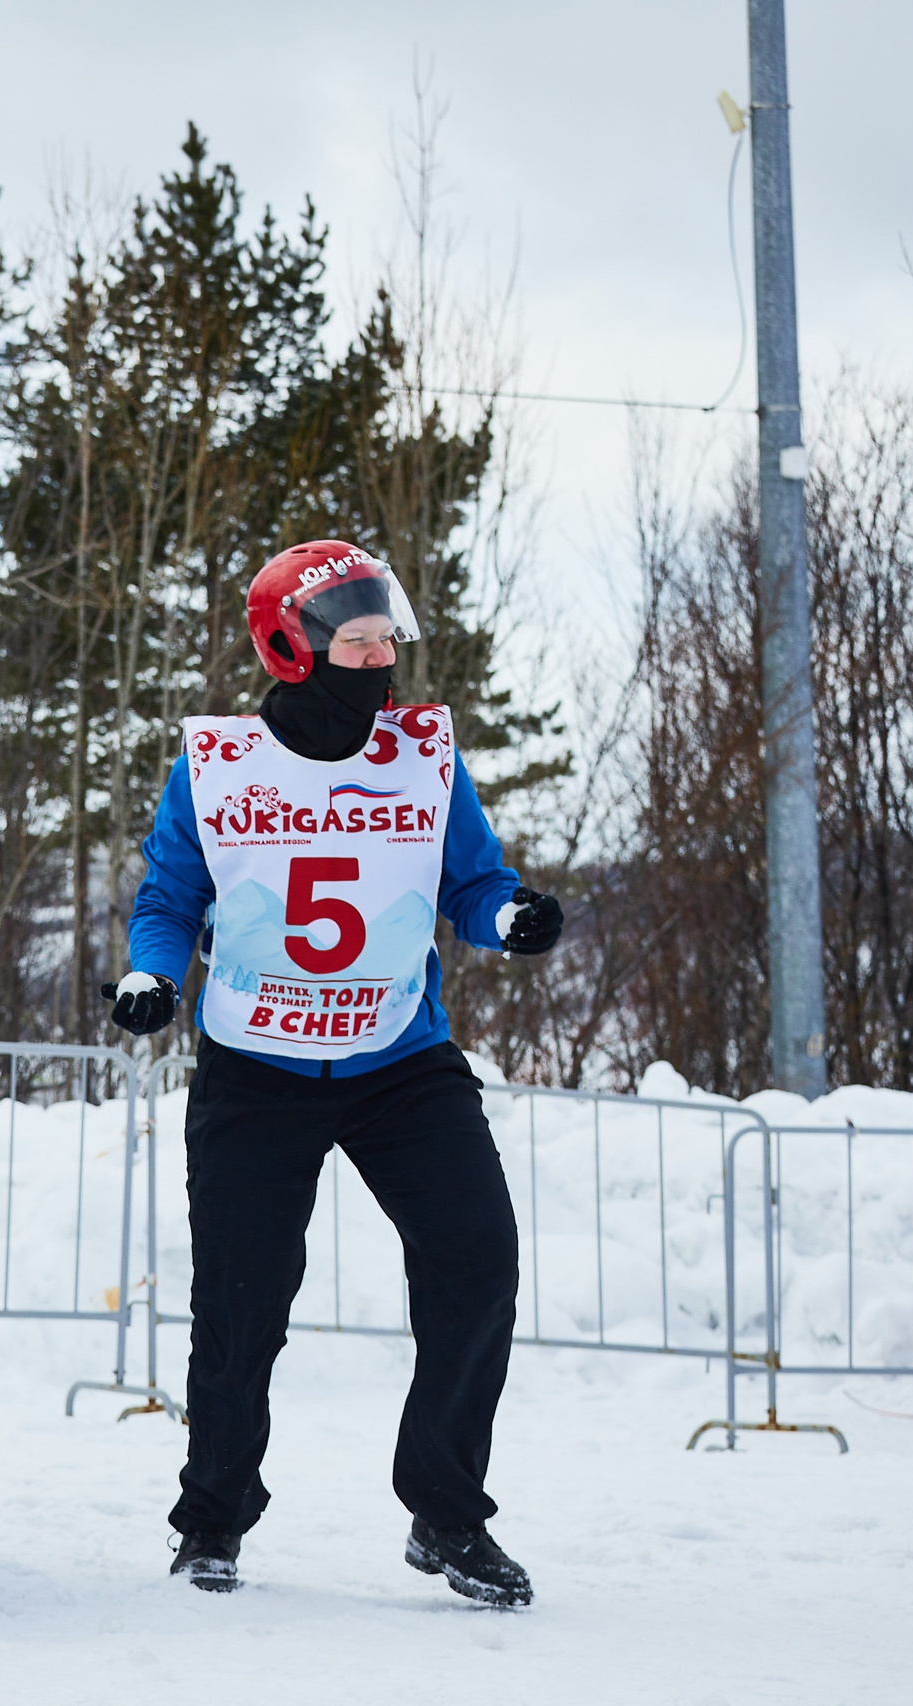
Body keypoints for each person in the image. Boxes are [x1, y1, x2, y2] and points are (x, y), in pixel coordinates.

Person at [110, 541, 562, 1606]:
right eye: (354, 636)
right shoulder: (216, 768)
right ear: (293, 647)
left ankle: (446, 1514)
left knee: (475, 1258)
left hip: (398, 1057)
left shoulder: (424, 755)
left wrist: (509, 919)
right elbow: (171, 897)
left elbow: (472, 885)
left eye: (382, 632)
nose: (379, 652)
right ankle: (211, 1519)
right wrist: (148, 975)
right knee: (240, 1300)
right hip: (255, 1066)